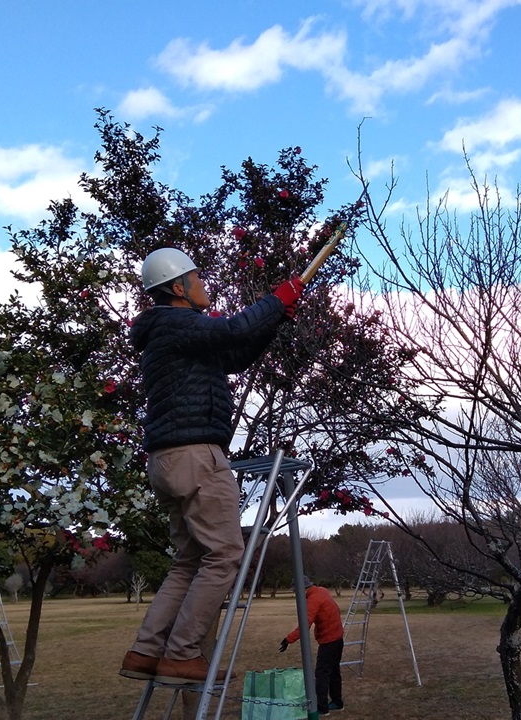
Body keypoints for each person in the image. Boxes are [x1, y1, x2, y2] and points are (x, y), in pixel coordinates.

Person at [119, 247, 304, 684]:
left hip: (168, 460)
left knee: (189, 560)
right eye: (196, 277)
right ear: (178, 287)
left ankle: (146, 651)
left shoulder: (170, 334)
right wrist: (277, 299)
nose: (204, 284)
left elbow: (234, 355)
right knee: (224, 555)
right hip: (196, 455)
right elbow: (235, 328)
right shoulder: (176, 323)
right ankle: (182, 654)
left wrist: (275, 320)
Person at [280, 577, 345, 714]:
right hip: (337, 638)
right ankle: (337, 702)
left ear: (302, 589)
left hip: (329, 641)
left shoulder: (313, 600)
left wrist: (288, 639)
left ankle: (322, 708)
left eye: (296, 591)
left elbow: (304, 625)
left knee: (322, 674)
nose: (296, 594)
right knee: (333, 672)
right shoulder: (322, 590)